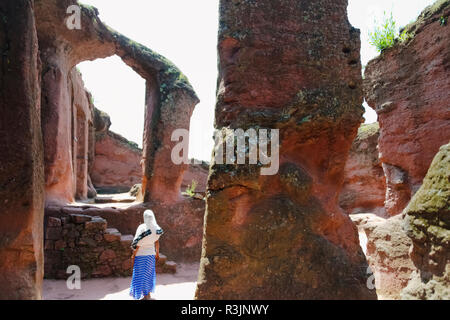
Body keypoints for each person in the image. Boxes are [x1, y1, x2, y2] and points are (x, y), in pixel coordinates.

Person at [129, 209, 164, 300]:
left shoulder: (142, 228)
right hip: (150, 256)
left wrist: (133, 256)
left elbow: (136, 244)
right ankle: (147, 294)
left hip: (140, 256)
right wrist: (157, 253)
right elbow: (157, 242)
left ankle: (143, 296)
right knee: (148, 275)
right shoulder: (156, 228)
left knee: (139, 276)